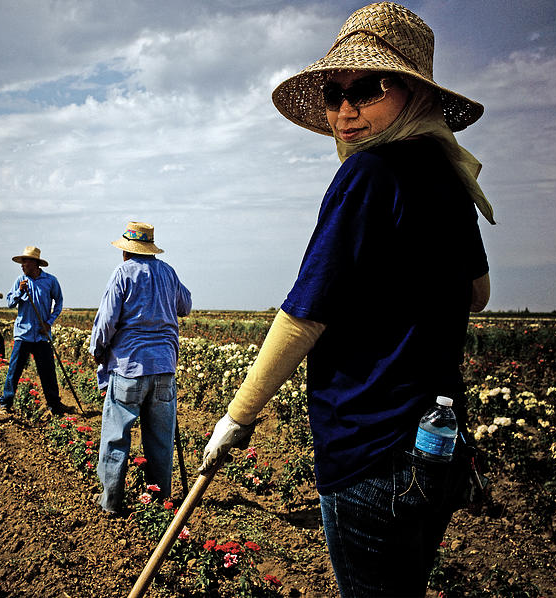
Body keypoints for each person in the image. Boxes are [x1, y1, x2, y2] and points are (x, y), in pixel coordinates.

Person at [199, 4, 492, 597]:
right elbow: (478, 295)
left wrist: (238, 416)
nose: (346, 111)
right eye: (334, 95)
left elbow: (305, 314)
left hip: (373, 444)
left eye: (368, 89)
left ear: (412, 91)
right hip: (434, 445)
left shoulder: (371, 174)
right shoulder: (447, 176)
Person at [90, 222, 192, 515]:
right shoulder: (168, 272)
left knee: (116, 437)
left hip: (129, 368)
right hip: (164, 368)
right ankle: (161, 504)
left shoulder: (123, 273)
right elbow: (186, 306)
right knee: (160, 440)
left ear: (126, 252)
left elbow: (107, 321)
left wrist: (98, 352)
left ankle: (110, 502)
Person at [0, 246, 64, 416]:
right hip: (23, 333)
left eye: (25, 262)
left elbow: (59, 303)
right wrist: (19, 291)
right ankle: (5, 403)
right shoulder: (20, 281)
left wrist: (49, 322)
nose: (22, 265)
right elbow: (10, 303)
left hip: (42, 335)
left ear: (35, 263)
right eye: (22, 262)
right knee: (14, 370)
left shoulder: (50, 281)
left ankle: (54, 405)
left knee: (48, 372)